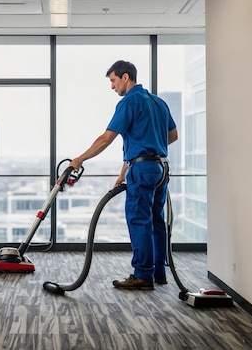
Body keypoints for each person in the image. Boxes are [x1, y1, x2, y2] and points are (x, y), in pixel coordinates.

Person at [69, 60, 178, 290]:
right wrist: (127, 169)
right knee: (157, 220)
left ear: (125, 77)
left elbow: (106, 139)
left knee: (139, 221)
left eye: (113, 81)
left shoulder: (129, 102)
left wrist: (79, 159)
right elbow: (173, 135)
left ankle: (142, 275)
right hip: (161, 169)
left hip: (144, 170)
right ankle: (159, 272)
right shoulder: (158, 102)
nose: (112, 87)